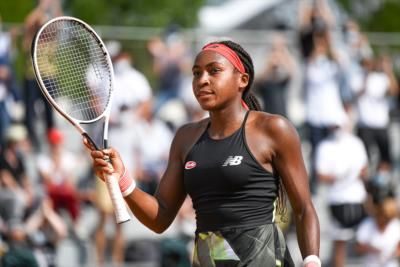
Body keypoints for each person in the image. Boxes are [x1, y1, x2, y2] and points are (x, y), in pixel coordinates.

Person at [86, 40, 320, 267]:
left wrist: (311, 262)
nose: (202, 80)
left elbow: (304, 210)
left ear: (242, 80)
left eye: (214, 71)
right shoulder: (185, 138)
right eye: (196, 73)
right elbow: (160, 218)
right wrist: (122, 179)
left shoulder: (274, 129)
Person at [315, 114, 368, 267]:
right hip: (336, 199)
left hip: (357, 198)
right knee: (340, 242)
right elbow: (321, 175)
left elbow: (364, 170)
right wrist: (340, 176)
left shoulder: (356, 143)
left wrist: (353, 175)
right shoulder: (324, 146)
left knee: (363, 239)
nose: (336, 129)